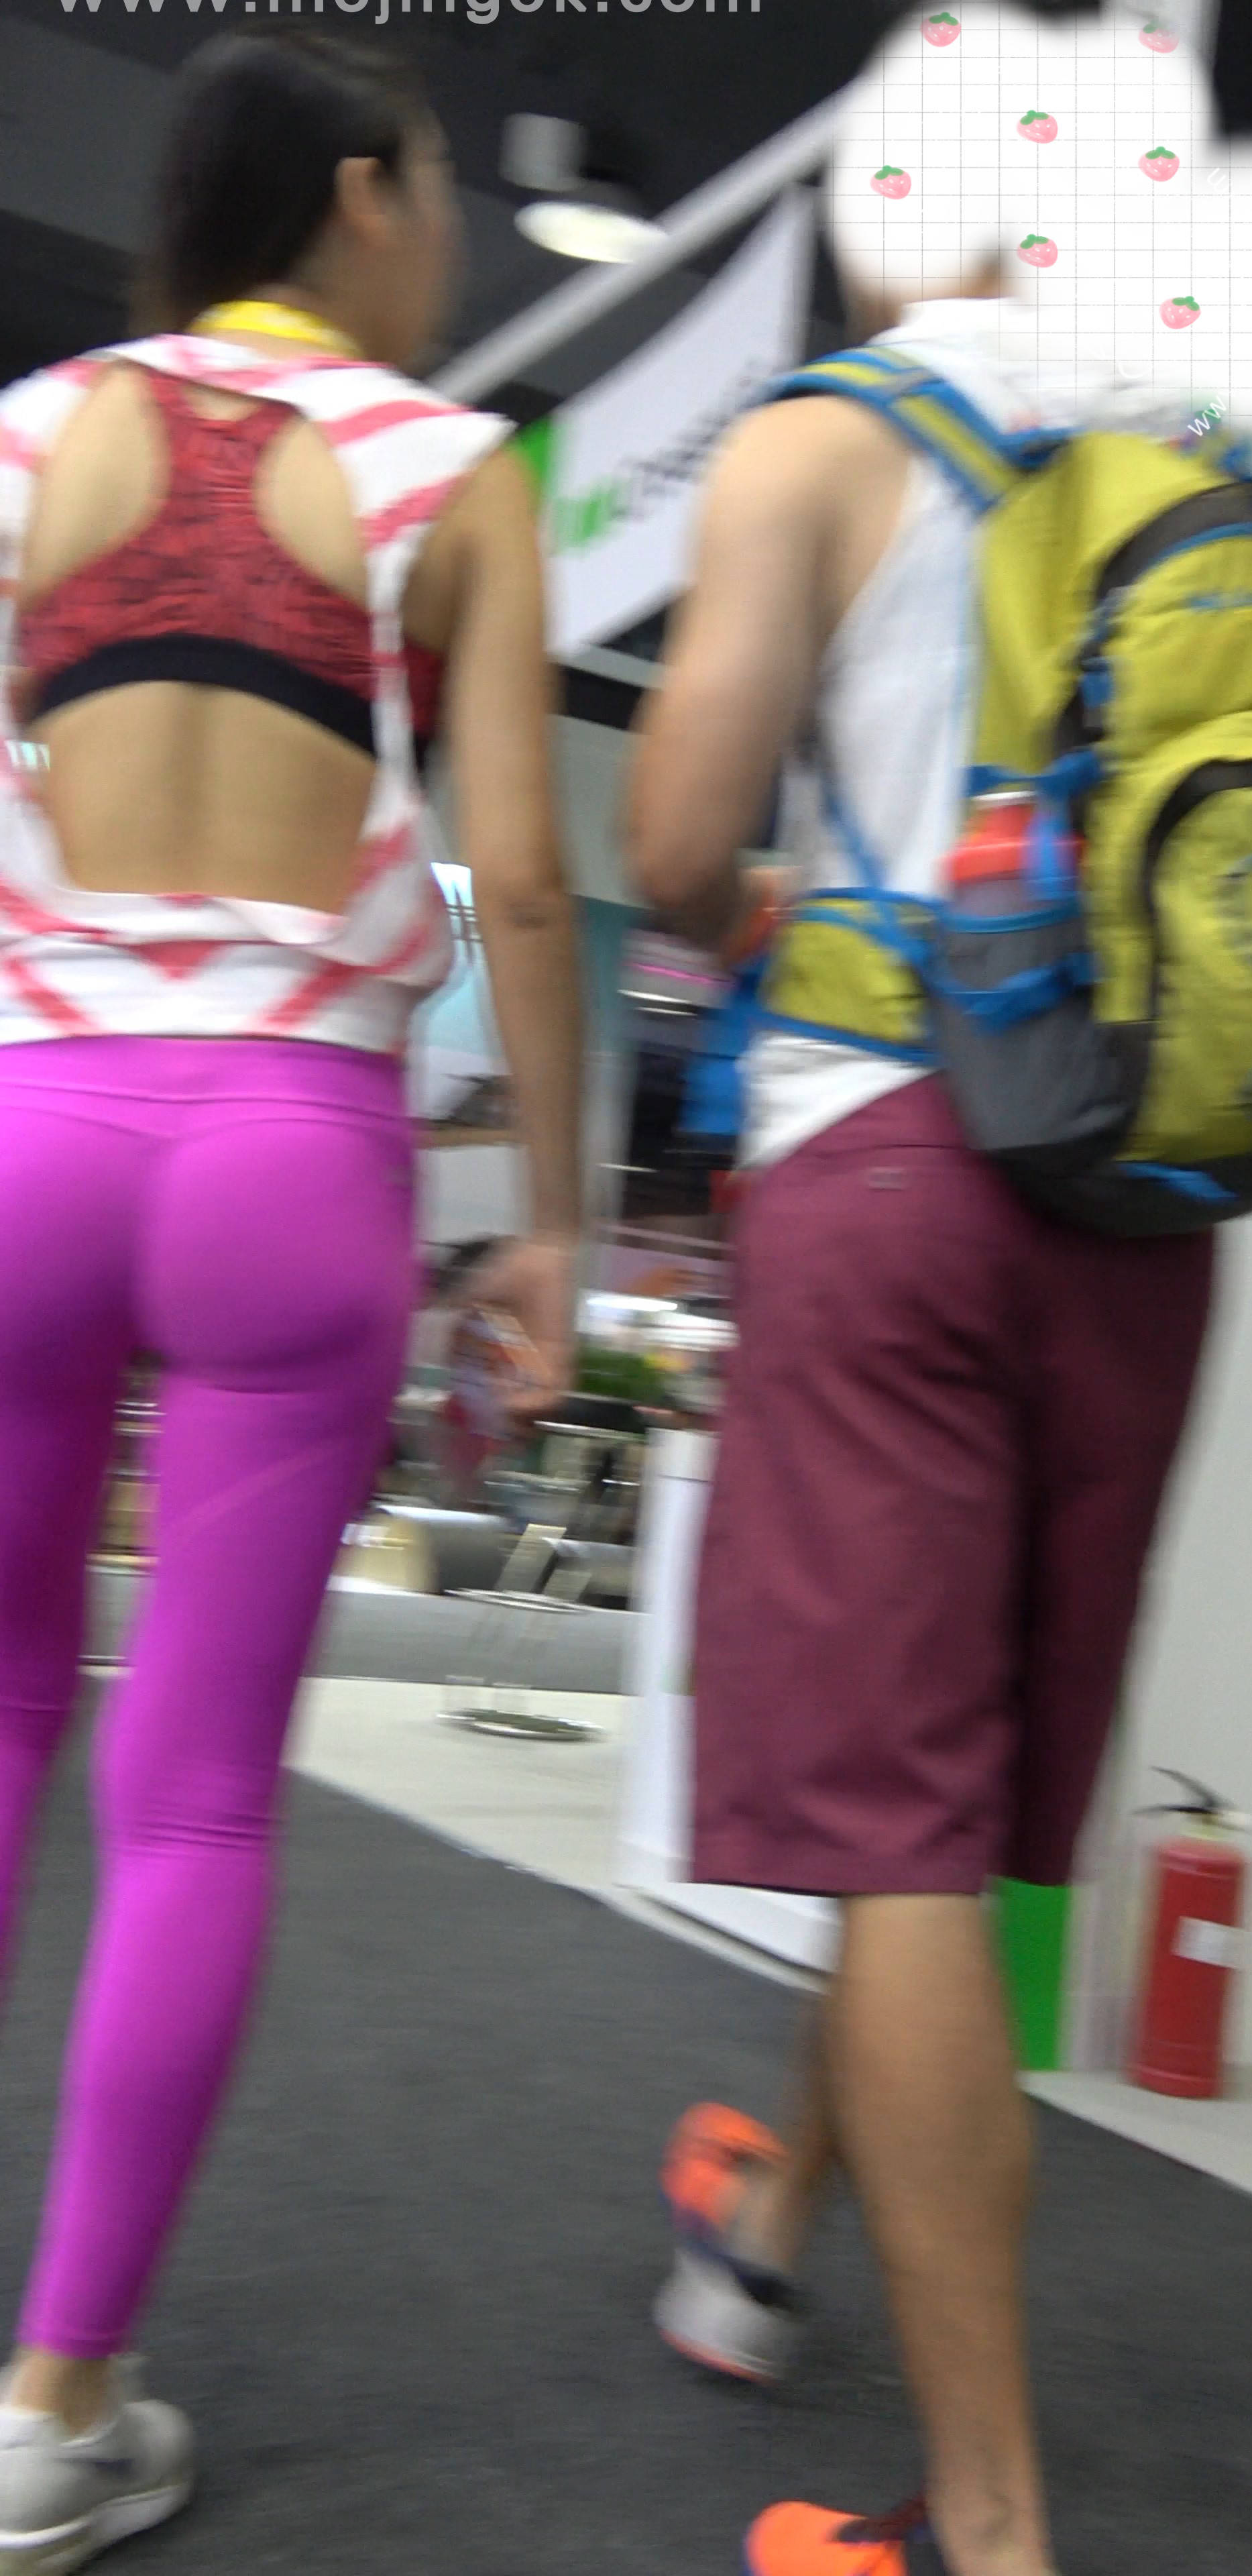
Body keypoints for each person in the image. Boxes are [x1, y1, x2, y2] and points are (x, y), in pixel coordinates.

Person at [626, 51, 1221, 2576]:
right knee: (945, 1845)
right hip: (1145, 1206)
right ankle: (767, 2239)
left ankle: (986, 2532)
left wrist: (778, 917)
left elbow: (673, 841)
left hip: (886, 1170)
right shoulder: (1194, 467)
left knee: (889, 1845)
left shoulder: (818, 441)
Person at [0, 31, 580, 2564]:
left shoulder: (32, 435)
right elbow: (521, 884)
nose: (445, 238)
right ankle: (57, 2406)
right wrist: (551, 1218)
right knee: (197, 1793)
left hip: (30, 1133)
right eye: (437, 190)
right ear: (359, 196)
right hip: (287, 1152)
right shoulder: (454, 468)